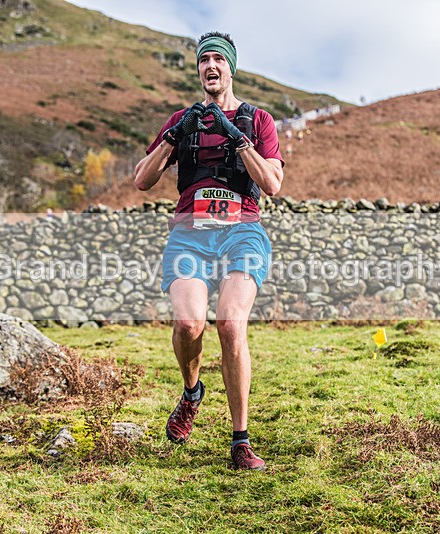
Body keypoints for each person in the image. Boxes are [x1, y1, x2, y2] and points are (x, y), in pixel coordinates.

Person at [134, 31, 284, 470]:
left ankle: (241, 440)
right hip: (190, 235)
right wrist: (173, 136)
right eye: (204, 60)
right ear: (199, 70)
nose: (211, 66)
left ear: (231, 68)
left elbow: (273, 185)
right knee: (187, 323)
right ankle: (192, 392)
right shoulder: (183, 118)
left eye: (219, 59)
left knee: (231, 326)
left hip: (243, 233)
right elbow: (142, 180)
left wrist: (237, 137)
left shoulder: (259, 120)